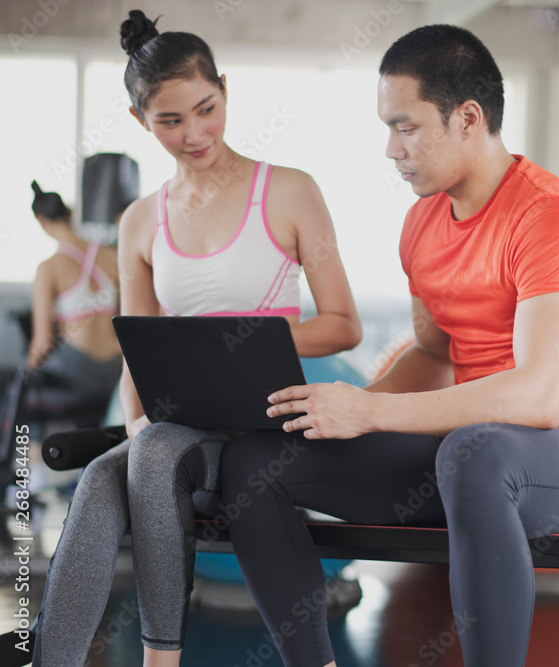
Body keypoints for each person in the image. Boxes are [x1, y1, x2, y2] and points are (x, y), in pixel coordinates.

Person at [221, 24, 559, 667]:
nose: (391, 149)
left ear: (468, 118)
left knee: (477, 451)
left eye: (405, 127)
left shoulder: (551, 218)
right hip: (468, 453)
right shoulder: (421, 223)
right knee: (252, 461)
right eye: (388, 128)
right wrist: (352, 411)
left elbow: (542, 397)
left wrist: (372, 413)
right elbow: (436, 353)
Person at [29, 10, 362, 666]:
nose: (195, 134)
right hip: (185, 433)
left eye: (206, 109)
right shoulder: (140, 219)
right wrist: (136, 424)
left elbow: (342, 323)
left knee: (131, 465)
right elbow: (139, 347)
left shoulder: (290, 191)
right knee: (107, 474)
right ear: (138, 122)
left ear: (226, 89)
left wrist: (250, 339)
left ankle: (159, 660)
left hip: (271, 425)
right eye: (170, 121)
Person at [23, 181, 122, 417]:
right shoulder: (111, 254)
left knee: (25, 403)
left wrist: (25, 374)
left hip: (79, 371)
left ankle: (30, 451)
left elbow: (43, 344)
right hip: (115, 368)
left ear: (41, 221)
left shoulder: (49, 267)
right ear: (70, 213)